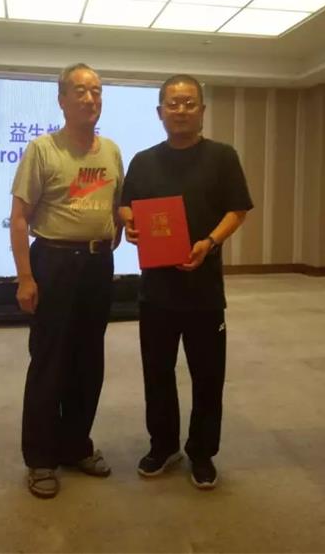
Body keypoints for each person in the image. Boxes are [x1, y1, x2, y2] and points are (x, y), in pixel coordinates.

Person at [119, 74, 253, 490]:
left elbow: (238, 209)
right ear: (159, 112)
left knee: (208, 376)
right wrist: (131, 225)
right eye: (173, 104)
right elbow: (126, 205)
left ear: (202, 111)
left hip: (205, 291)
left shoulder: (222, 157)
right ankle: (163, 446)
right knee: (157, 373)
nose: (181, 111)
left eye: (189, 103)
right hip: (156, 291)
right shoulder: (143, 160)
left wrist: (209, 242)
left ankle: (202, 453)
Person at [10, 63, 124, 498]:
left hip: (97, 266)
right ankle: (41, 459)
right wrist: (25, 277)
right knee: (49, 362)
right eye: (80, 91)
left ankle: (76, 445)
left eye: (96, 91)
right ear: (62, 100)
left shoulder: (111, 151)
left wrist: (120, 227)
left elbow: (117, 207)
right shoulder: (42, 149)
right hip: (54, 263)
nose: (90, 99)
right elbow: (19, 219)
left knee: (88, 361)